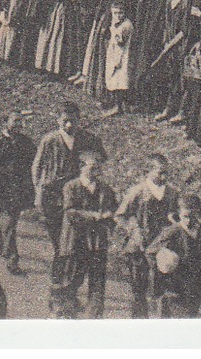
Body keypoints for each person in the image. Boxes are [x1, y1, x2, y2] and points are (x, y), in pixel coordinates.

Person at [32, 102, 107, 261]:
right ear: (57, 119)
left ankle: (62, 268)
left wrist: (91, 164)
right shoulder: (49, 140)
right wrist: (38, 192)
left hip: (75, 193)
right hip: (53, 192)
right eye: (65, 120)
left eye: (73, 120)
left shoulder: (88, 138)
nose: (69, 125)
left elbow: (102, 157)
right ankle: (61, 261)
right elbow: (37, 167)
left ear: (79, 120)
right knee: (56, 232)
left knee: (72, 233)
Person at [50, 151, 117, 318]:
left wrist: (109, 218)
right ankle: (64, 310)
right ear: (81, 167)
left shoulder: (106, 190)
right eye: (92, 166)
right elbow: (70, 212)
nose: (96, 170)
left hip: (97, 242)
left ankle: (93, 317)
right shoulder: (71, 187)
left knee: (97, 282)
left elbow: (114, 211)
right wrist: (94, 216)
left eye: (98, 167)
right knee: (72, 278)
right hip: (75, 240)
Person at [116, 153, 177, 318]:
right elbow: (121, 215)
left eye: (166, 173)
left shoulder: (172, 193)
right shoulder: (138, 191)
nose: (163, 176)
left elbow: (177, 218)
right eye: (159, 172)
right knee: (139, 287)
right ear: (148, 172)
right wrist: (133, 230)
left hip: (161, 246)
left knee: (161, 286)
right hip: (139, 246)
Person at [0, 110, 37, 274]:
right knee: (10, 223)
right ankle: (12, 259)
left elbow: (35, 164)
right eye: (15, 120)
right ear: (6, 122)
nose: (18, 124)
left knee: (11, 221)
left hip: (20, 190)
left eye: (21, 121)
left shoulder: (26, 143)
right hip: (1, 190)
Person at [147, 194, 201, 318]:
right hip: (174, 287)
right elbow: (151, 252)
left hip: (195, 286)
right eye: (185, 216)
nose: (188, 220)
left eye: (192, 217)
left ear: (199, 214)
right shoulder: (172, 232)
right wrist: (165, 261)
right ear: (179, 214)